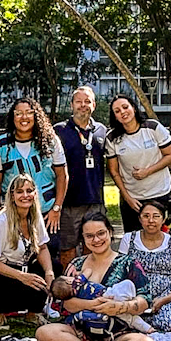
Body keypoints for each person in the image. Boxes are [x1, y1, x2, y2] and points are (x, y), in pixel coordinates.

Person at [35, 212, 160, 341]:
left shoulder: (128, 263)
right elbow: (62, 305)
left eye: (101, 233)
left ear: (110, 232)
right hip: (79, 334)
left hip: (118, 335)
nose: (96, 240)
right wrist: (93, 304)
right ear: (83, 238)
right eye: (89, 236)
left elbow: (144, 302)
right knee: (44, 333)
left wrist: (120, 307)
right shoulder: (76, 264)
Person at [0, 173, 58, 326]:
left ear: (35, 193)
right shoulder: (1, 221)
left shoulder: (35, 215)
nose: (25, 195)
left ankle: (33, 312)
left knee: (54, 268)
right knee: (22, 288)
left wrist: (49, 273)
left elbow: (43, 247)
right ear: (12, 196)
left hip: (22, 265)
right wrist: (21, 276)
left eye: (29, 191)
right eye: (20, 192)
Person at [0, 98, 67, 233]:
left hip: (47, 212)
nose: (24, 117)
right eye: (18, 113)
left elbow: (62, 175)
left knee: (48, 252)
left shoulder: (50, 141)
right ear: (12, 117)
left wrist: (56, 208)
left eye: (29, 112)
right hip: (13, 215)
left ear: (36, 116)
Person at [53, 85, 110, 266]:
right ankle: (67, 287)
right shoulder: (59, 131)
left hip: (95, 200)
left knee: (93, 246)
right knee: (67, 249)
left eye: (87, 102)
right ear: (72, 105)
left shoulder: (102, 131)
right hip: (69, 202)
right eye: (79, 102)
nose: (83, 105)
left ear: (93, 105)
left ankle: (90, 285)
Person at [105, 94, 171, 233]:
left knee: (158, 238)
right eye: (117, 111)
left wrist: (147, 171)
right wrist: (127, 198)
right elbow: (114, 171)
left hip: (158, 193)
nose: (123, 112)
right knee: (134, 240)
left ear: (134, 108)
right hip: (132, 198)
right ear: (115, 117)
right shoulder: (112, 138)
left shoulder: (153, 127)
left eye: (125, 107)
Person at [120, 199, 171, 329]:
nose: (151, 221)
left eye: (156, 216)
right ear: (139, 219)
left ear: (163, 219)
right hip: (135, 294)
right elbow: (120, 272)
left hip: (166, 296)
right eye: (146, 216)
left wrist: (163, 300)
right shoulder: (129, 239)